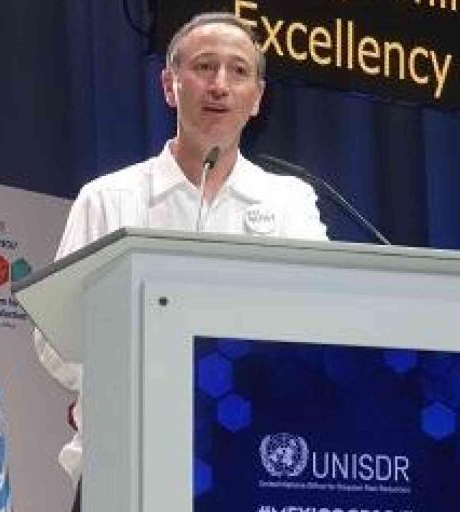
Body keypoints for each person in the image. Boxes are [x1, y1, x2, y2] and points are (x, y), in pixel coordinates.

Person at [33, 11, 328, 511]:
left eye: (238, 71)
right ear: (170, 86)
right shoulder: (109, 198)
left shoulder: (289, 202)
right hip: (125, 462)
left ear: (256, 98)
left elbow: (321, 328)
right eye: (204, 67)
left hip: (252, 463)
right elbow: (56, 338)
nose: (219, 85)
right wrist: (149, 379)